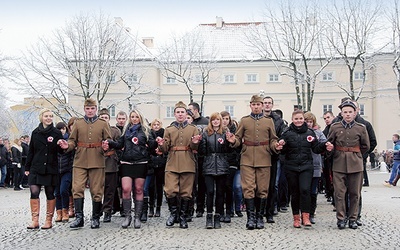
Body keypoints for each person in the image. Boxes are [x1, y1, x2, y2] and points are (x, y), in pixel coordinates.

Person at [226, 94, 282, 230]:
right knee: (248, 188)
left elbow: (273, 139)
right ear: (250, 105)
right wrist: (233, 141)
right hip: (247, 158)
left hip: (264, 157)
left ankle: (259, 217)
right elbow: (238, 138)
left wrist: (276, 146)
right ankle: (250, 218)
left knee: (263, 189)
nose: (256, 107)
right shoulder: (244, 121)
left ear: (262, 106)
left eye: (258, 104)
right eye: (254, 104)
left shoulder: (268, 121)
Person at [58, 98, 111, 229]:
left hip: (97, 160)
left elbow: (109, 140)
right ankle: (79, 218)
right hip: (80, 160)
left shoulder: (103, 123)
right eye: (88, 108)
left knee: (97, 190)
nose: (90, 111)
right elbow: (72, 141)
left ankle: (95, 217)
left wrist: (106, 146)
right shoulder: (78, 123)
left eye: (92, 108)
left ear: (96, 109)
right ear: (84, 109)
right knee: (77, 189)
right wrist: (66, 146)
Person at [105, 109, 157, 229]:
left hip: (141, 162)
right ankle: (127, 216)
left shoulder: (145, 131)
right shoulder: (125, 131)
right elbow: (120, 145)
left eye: (136, 117)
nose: (134, 119)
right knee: (126, 189)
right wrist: (110, 142)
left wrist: (157, 143)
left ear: (140, 118)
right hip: (126, 162)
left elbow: (151, 145)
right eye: (132, 116)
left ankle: (137, 217)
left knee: (139, 189)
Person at [279, 110, 328, 228]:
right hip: (291, 166)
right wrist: (280, 146)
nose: (299, 121)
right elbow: (283, 152)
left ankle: (306, 216)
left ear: (303, 119)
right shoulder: (287, 133)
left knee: (305, 190)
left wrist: (324, 146)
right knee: (295, 193)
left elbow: (316, 148)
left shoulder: (310, 133)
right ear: (292, 120)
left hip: (306, 166)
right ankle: (296, 217)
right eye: (296, 119)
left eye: (300, 118)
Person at [156, 101, 201, 229]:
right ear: (174, 114)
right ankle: (173, 214)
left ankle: (183, 217)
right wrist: (160, 143)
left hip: (188, 161)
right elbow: (165, 149)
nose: (180, 115)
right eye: (178, 112)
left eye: (182, 112)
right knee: (170, 190)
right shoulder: (169, 129)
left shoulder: (193, 129)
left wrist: (195, 142)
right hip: (172, 163)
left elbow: (195, 147)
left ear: (186, 113)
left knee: (186, 192)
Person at [327, 100, 370, 229]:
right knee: (339, 193)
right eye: (345, 112)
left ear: (355, 113)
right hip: (339, 163)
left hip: (356, 163)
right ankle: (341, 218)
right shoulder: (335, 127)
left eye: (350, 112)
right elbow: (330, 143)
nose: (348, 115)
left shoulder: (361, 128)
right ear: (341, 113)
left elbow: (366, 146)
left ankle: (353, 218)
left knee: (355, 193)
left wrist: (355, 155)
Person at [25, 108, 64, 229]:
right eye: (46, 116)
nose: (48, 118)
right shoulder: (35, 132)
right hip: (36, 167)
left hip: (50, 167)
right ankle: (35, 220)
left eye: (51, 116)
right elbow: (31, 151)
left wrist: (61, 146)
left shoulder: (56, 133)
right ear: (41, 117)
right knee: (34, 192)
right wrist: (27, 167)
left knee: (50, 193)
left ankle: (48, 220)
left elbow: (60, 152)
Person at [199, 112, 230, 229]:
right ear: (211, 122)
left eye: (217, 119)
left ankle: (218, 216)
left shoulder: (224, 133)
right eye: (213, 120)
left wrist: (228, 141)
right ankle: (209, 216)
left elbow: (229, 150)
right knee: (210, 191)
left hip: (222, 165)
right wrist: (200, 142)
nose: (215, 122)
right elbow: (202, 151)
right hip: (209, 165)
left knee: (220, 192)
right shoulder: (206, 133)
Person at [263, 96, 287, 224]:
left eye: (269, 103)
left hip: (273, 156)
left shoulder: (278, 120)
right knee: (260, 186)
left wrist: (278, 145)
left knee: (273, 185)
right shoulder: (257, 119)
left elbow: (282, 135)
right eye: (265, 103)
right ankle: (259, 211)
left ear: (272, 105)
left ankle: (270, 212)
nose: (267, 105)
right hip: (260, 156)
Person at [98, 109, 121, 223]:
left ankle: (108, 211)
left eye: (106, 117)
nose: (104, 120)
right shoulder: (94, 130)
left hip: (111, 162)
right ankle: (97, 210)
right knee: (97, 189)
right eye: (102, 117)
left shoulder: (115, 131)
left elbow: (119, 146)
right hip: (97, 161)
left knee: (110, 189)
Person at [304, 112, 327, 224]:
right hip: (303, 165)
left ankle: (311, 213)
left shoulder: (318, 133)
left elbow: (325, 143)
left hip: (315, 165)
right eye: (306, 121)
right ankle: (304, 213)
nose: (308, 124)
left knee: (313, 191)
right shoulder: (300, 133)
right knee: (304, 191)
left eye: (310, 122)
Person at [220, 111, 242, 221]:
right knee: (223, 188)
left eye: (226, 118)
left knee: (235, 187)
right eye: (222, 118)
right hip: (221, 163)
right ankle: (225, 211)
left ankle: (235, 209)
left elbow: (238, 147)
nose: (224, 121)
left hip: (234, 163)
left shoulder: (235, 131)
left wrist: (231, 142)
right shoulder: (218, 132)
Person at [188, 102, 209, 218]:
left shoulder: (205, 122)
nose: (188, 111)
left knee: (201, 183)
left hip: (202, 157)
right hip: (191, 156)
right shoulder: (188, 121)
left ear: (196, 110)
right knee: (191, 184)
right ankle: (190, 208)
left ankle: (200, 207)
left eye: (190, 109)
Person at [54, 122, 74, 223]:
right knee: (56, 192)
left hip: (67, 169)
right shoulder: (54, 140)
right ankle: (59, 212)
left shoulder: (70, 140)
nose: (61, 131)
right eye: (59, 129)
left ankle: (65, 211)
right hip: (56, 170)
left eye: (63, 129)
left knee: (63, 190)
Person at [149, 119, 167, 218]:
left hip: (161, 163)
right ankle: (151, 206)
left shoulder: (164, 133)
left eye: (157, 124)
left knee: (159, 186)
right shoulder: (149, 134)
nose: (156, 126)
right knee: (151, 186)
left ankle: (158, 208)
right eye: (154, 124)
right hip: (151, 163)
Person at [322, 111, 335, 204]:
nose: (326, 120)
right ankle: (330, 194)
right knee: (329, 179)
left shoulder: (336, 128)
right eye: (325, 118)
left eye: (328, 117)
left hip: (336, 158)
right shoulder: (325, 131)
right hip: (327, 158)